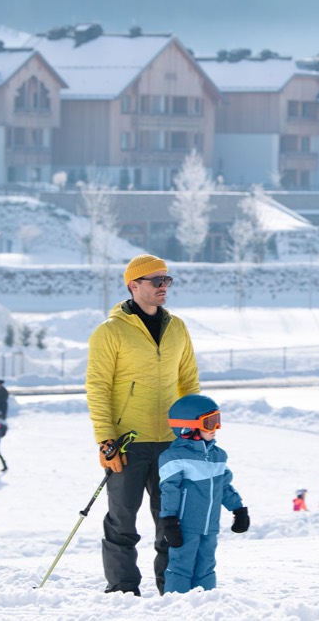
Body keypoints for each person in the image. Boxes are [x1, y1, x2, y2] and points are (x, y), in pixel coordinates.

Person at [87, 253, 200, 596]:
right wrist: (105, 439)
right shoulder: (110, 332)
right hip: (127, 442)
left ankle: (174, 587)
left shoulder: (177, 327)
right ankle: (122, 588)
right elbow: (98, 386)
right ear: (134, 286)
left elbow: (189, 382)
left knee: (171, 520)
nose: (164, 286)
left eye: (167, 279)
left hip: (170, 442)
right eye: (156, 281)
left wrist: (193, 433)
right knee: (122, 522)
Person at [158, 394, 248, 594]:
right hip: (185, 526)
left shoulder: (218, 456)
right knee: (181, 567)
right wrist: (170, 521)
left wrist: (239, 509)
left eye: (217, 421)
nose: (216, 428)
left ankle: (204, 606)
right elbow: (169, 491)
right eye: (210, 423)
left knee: (206, 568)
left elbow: (224, 487)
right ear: (188, 427)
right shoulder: (174, 457)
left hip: (211, 526)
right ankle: (177, 608)